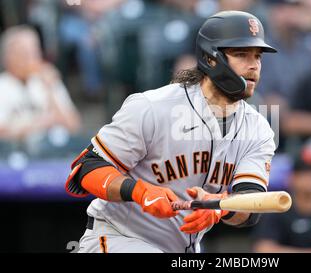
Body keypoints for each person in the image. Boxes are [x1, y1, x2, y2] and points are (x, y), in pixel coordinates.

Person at [65, 11, 278, 253]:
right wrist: (138, 191)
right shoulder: (154, 107)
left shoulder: (258, 129)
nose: (254, 65)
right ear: (211, 59)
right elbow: (86, 167)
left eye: (258, 57)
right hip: (119, 238)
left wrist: (222, 208)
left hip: (184, 248)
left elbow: (250, 205)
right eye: (241, 54)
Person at [0, 25, 80, 146]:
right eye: (24, 53)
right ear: (8, 57)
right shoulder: (3, 84)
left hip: (50, 153)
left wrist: (50, 89)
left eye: (34, 52)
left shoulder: (47, 79)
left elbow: (74, 126)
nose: (31, 58)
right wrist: (38, 125)